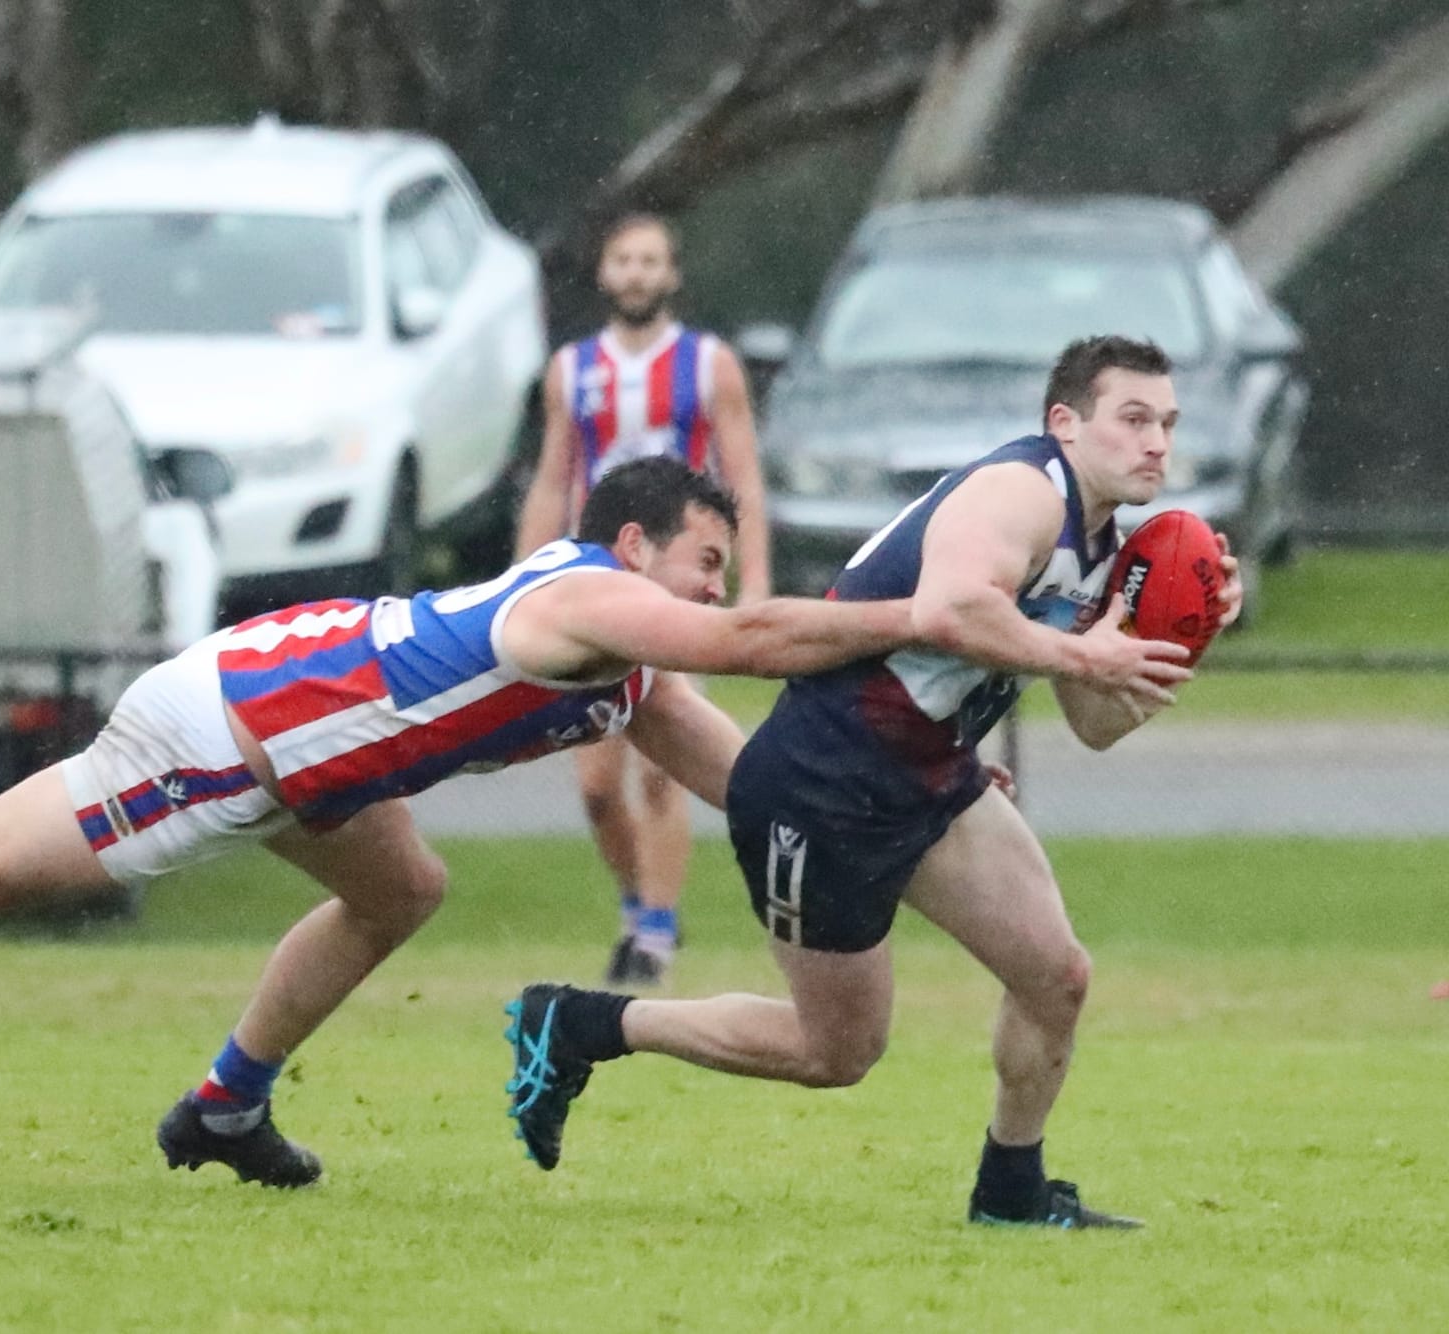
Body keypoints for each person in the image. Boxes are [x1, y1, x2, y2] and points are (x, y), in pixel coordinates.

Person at [0, 457, 950, 1189]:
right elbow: (752, 641)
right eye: (703, 562)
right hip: (226, 733)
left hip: (299, 748)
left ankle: (224, 1106)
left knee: (400, 890)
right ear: (632, 545)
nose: (714, 590)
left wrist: (915, 795)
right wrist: (925, 615)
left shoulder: (628, 665)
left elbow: (756, 784)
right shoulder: (579, 593)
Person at [503, 335, 1228, 1229]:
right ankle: (582, 1022)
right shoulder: (1023, 490)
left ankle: (1011, 1192)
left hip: (931, 778)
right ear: (1065, 423)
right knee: (836, 1052)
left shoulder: (1102, 547)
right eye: (1133, 418)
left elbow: (1095, 723)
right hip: (826, 785)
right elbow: (951, 609)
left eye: (1167, 424)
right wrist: (1085, 653)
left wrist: (1173, 644)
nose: (1156, 442)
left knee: (1056, 976)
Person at [517, 212, 770, 987]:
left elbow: (743, 477)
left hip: (674, 591)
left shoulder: (708, 365)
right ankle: (637, 904)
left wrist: (754, 583)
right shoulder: (571, 369)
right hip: (594, 586)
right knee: (598, 788)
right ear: (604, 272)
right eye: (624, 259)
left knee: (664, 767)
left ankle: (655, 933)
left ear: (672, 274)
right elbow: (554, 479)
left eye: (650, 260)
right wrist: (521, 578)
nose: (636, 273)